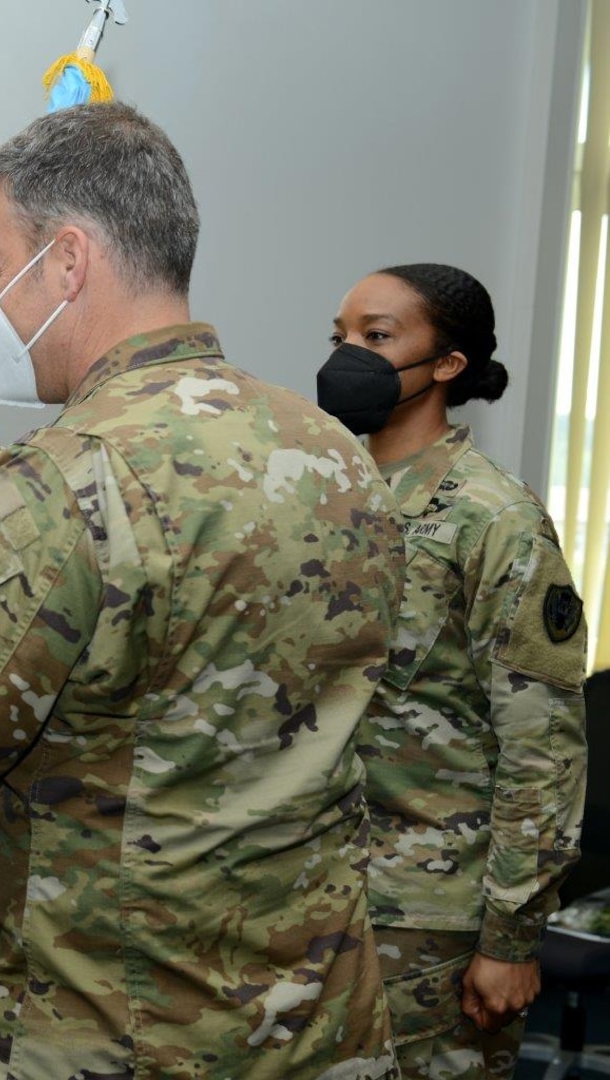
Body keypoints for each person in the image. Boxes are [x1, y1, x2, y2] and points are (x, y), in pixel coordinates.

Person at [0, 101, 407, 1079]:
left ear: (66, 263)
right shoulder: (327, 450)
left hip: (113, 1035)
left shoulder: (58, 489)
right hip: (315, 1026)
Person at [317, 263, 588, 1079]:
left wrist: (511, 939)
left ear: (448, 365)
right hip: (317, 888)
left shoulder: (493, 518)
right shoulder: (330, 494)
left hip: (432, 916)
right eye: (339, 337)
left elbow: (543, 749)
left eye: (377, 336)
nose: (347, 355)